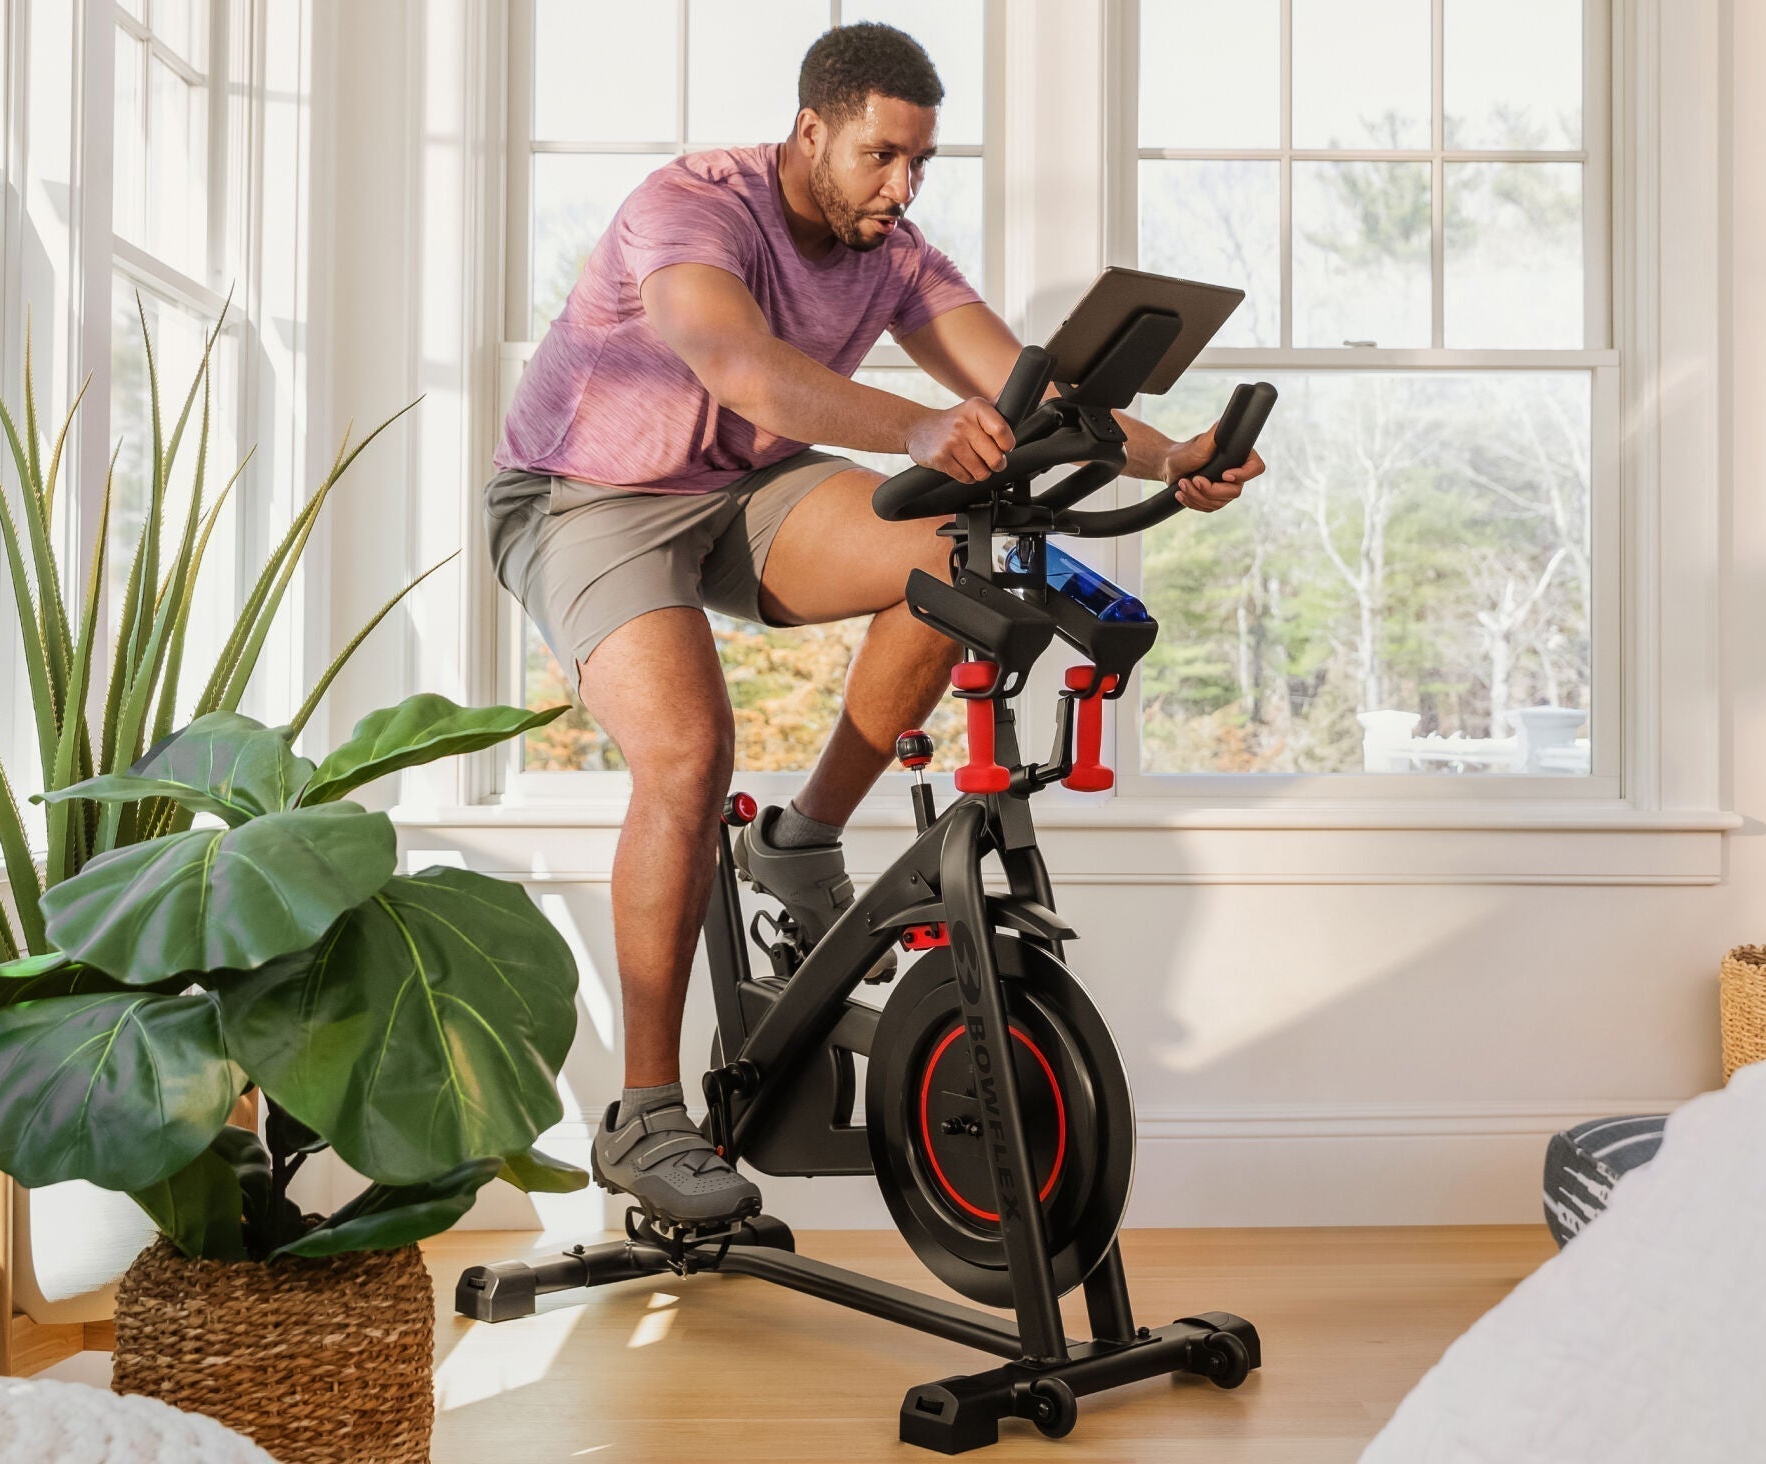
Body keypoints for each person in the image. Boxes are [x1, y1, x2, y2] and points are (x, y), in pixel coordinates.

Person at [486, 22, 1265, 1225]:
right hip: (584, 493)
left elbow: (1019, 379)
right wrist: (907, 425)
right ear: (811, 129)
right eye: (879, 157)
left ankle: (800, 841)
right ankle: (644, 1113)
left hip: (743, 493)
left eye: (920, 163)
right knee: (690, 753)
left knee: (952, 550)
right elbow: (737, 363)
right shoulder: (691, 206)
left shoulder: (890, 246)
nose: (901, 188)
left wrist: (1172, 453)